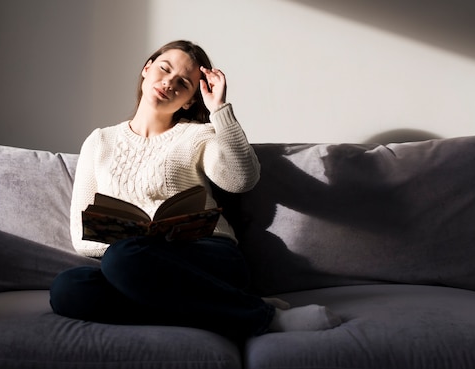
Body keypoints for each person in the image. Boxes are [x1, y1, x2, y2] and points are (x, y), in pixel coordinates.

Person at [49, 40, 341, 338]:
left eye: (183, 83)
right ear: (146, 70)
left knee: (123, 258)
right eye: (164, 69)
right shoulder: (100, 141)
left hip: (207, 254)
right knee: (69, 289)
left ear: (190, 100)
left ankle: (263, 319)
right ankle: (232, 307)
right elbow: (83, 236)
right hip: (142, 265)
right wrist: (144, 243)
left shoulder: (199, 135)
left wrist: (220, 110)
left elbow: (241, 180)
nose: (169, 82)